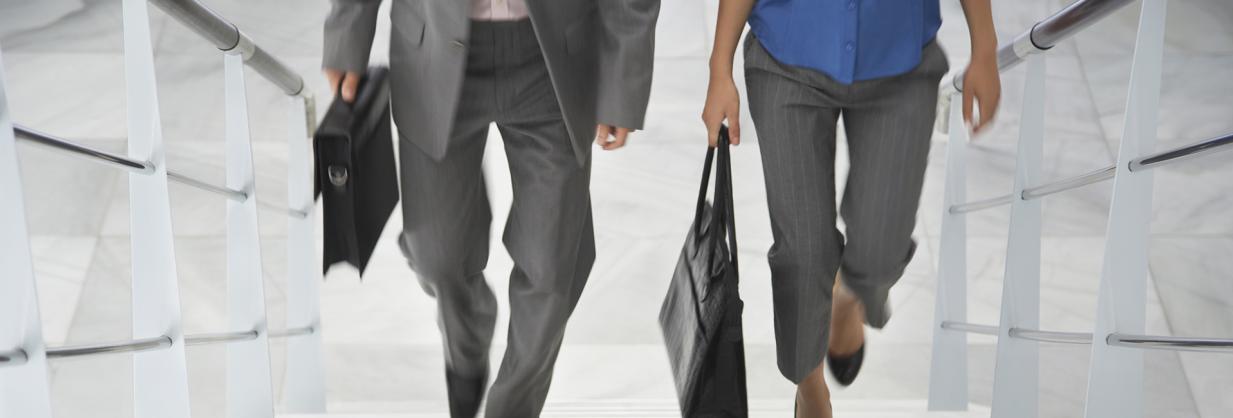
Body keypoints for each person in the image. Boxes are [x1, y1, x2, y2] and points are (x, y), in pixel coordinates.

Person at [322, 0, 659, 416]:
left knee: (552, 272)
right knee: (437, 257)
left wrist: (623, 76)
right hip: (432, 45)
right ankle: (467, 342)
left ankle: (512, 408)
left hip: (554, 54)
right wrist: (346, 33)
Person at [701, 0, 1001, 416]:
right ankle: (808, 384)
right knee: (803, 255)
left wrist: (984, 49)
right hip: (787, 57)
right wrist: (721, 68)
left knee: (881, 249)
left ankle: (848, 296)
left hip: (900, 62)